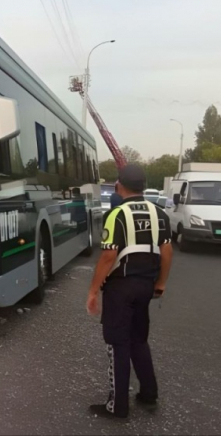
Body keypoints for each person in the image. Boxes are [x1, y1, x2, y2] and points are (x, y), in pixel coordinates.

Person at [85, 164, 173, 419]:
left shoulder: (117, 214)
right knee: (138, 340)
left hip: (120, 288)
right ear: (144, 186)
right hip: (146, 286)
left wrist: (93, 291)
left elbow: (108, 256)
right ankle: (148, 394)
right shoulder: (159, 213)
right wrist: (161, 283)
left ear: (119, 185)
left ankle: (117, 406)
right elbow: (166, 252)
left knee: (118, 343)